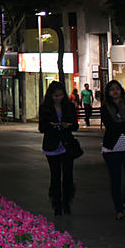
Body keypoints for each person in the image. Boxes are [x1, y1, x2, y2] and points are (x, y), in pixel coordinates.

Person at [101, 79, 125, 221]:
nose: (115, 91)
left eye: (117, 88)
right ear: (108, 93)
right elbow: (109, 125)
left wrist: (122, 125)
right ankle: (118, 209)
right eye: (112, 89)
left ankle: (124, 200)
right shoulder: (106, 107)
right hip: (112, 148)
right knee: (115, 179)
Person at [38, 81, 79, 216]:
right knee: (55, 175)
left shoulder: (69, 107)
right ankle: (56, 203)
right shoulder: (45, 108)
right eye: (55, 96)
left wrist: (67, 125)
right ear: (51, 96)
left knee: (68, 175)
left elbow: (75, 126)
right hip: (52, 144)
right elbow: (41, 128)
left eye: (60, 95)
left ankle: (67, 201)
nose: (58, 98)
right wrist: (52, 125)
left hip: (67, 144)